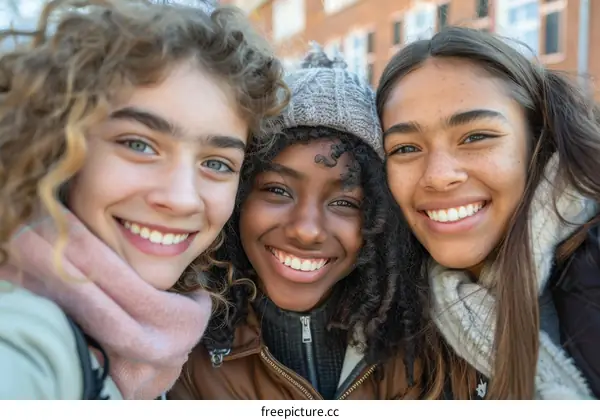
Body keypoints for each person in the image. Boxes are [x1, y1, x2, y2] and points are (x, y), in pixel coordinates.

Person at [0, 0, 287, 400]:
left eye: (217, 163)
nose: (183, 199)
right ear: (55, 144)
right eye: (139, 144)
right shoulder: (23, 340)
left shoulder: (156, 345)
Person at [168, 43, 427, 400]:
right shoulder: (176, 350)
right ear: (239, 195)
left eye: (344, 202)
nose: (306, 230)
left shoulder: (422, 347)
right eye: (277, 190)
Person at [376, 26, 600, 399]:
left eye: (476, 137)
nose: (439, 176)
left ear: (538, 141)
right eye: (405, 148)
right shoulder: (397, 313)